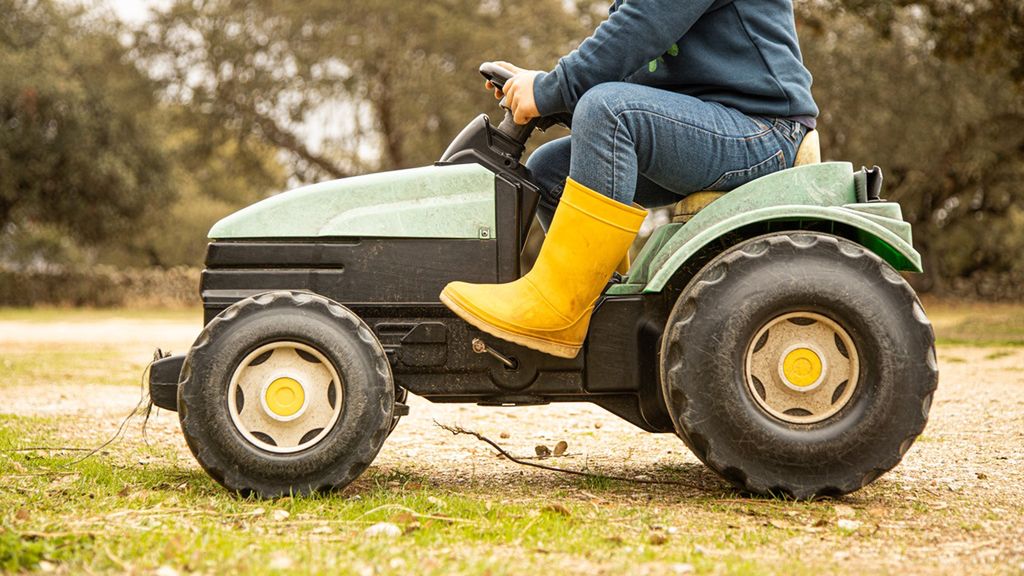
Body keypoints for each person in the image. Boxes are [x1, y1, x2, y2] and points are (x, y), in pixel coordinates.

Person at [440, 0, 818, 359]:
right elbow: (633, 67)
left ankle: (557, 309)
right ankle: (602, 313)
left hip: (763, 130)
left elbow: (640, 29)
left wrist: (550, 89)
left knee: (610, 110)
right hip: (714, 123)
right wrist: (550, 92)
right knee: (551, 170)